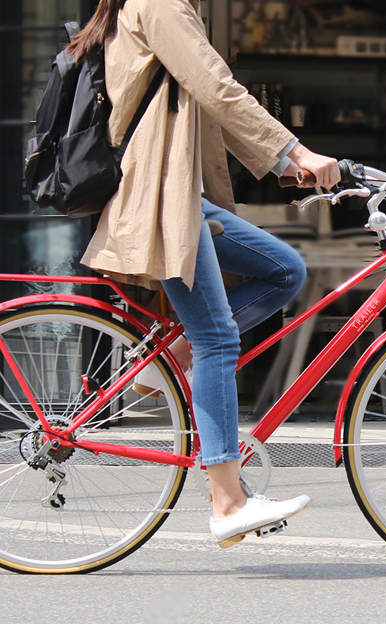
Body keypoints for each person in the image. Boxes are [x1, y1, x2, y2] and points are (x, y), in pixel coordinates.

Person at [71, 0, 341, 548]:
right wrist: (297, 148)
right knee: (217, 337)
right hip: (160, 200)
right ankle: (227, 500)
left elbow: (208, 101)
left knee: (284, 270)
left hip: (180, 197)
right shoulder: (162, 4)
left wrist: (290, 165)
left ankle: (169, 361)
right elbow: (218, 87)